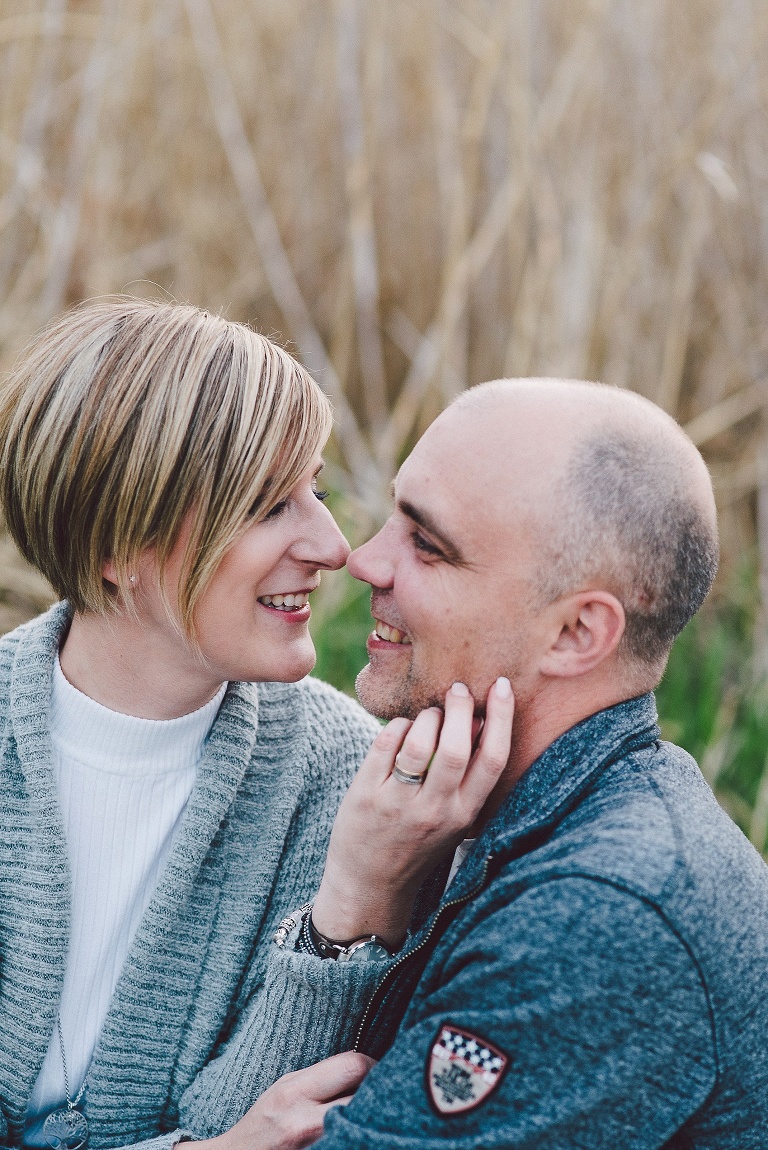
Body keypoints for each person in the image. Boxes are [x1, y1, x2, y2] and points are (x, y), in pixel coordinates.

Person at [0, 299, 513, 1150]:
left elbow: (274, 1124)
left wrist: (353, 905)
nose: (333, 543)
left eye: (313, 489)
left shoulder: (355, 782)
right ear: (119, 547)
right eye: (269, 505)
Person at [232, 378, 768, 1149]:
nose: (363, 560)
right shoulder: (499, 819)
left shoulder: (602, 916)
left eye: (428, 544)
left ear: (577, 633)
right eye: (393, 516)